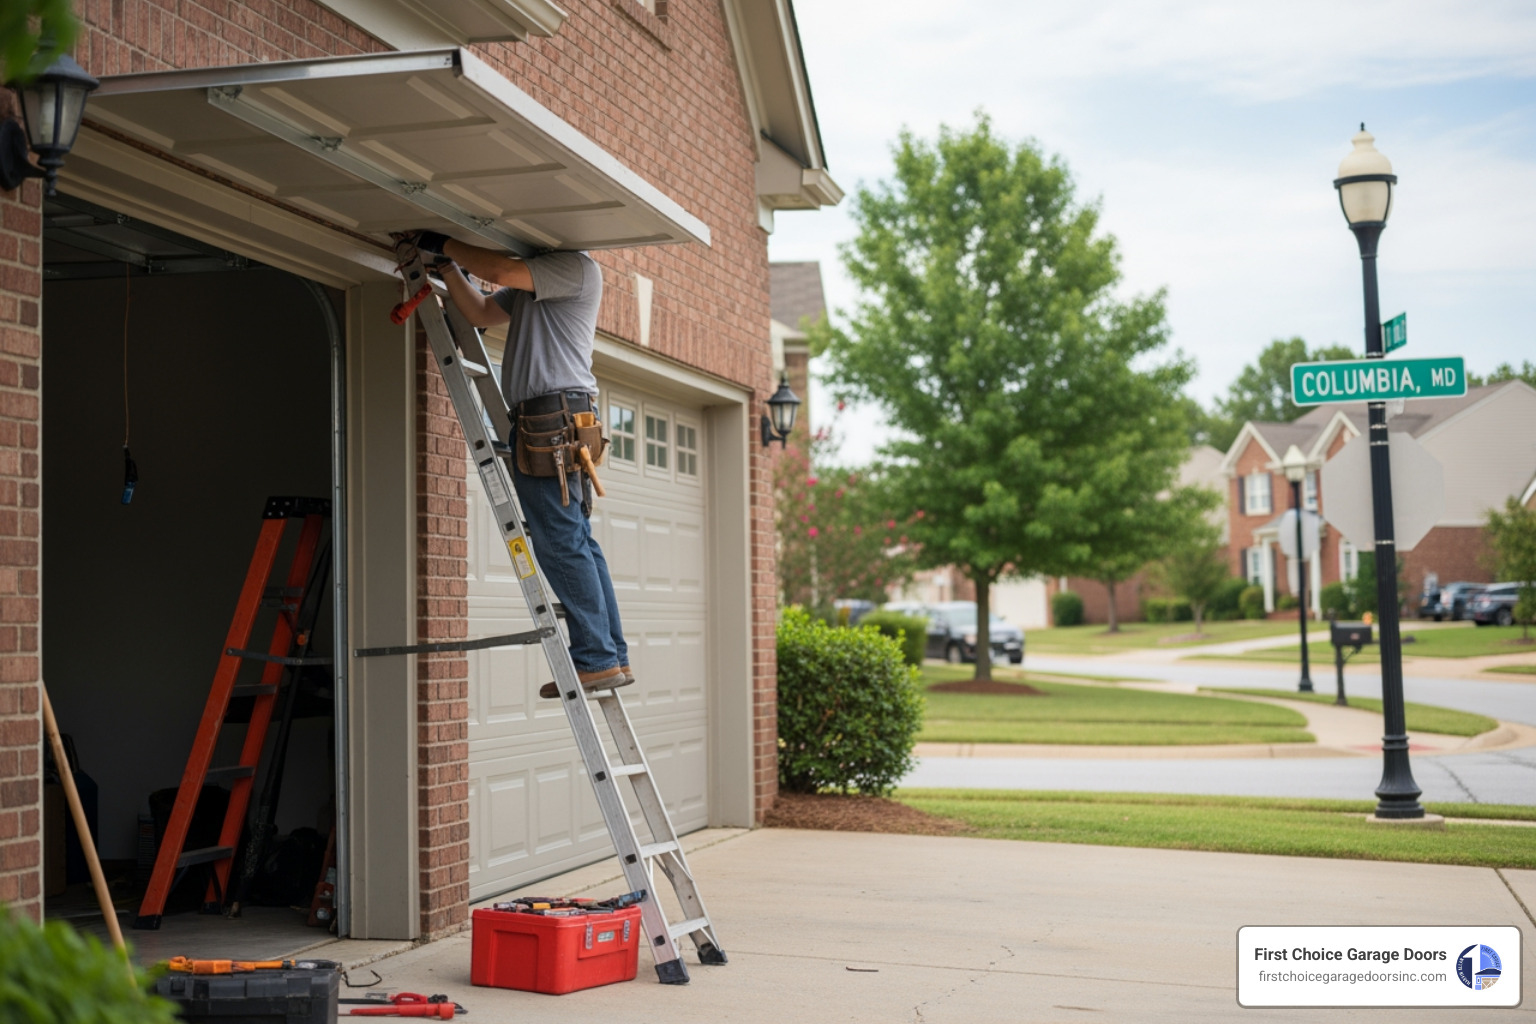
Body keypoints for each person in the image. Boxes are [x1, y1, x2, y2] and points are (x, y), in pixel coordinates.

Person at [401, 229, 631, 697]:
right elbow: (482, 311)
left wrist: (443, 242)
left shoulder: (573, 266)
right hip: (554, 416)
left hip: (552, 418)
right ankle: (610, 656)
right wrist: (448, 267)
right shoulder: (539, 279)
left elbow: (501, 271)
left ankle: (596, 658)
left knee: (560, 540)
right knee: (576, 540)